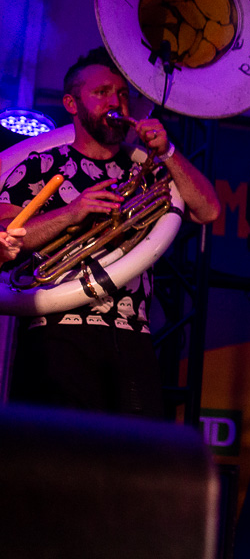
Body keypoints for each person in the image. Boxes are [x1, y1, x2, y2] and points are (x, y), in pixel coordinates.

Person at [0, 47, 220, 416]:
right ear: (71, 104)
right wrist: (71, 213)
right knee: (56, 450)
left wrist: (168, 151)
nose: (116, 102)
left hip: (132, 335)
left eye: (121, 93)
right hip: (54, 334)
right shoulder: (41, 165)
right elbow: (5, 234)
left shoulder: (147, 170)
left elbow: (208, 210)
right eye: (101, 93)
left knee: (134, 450)